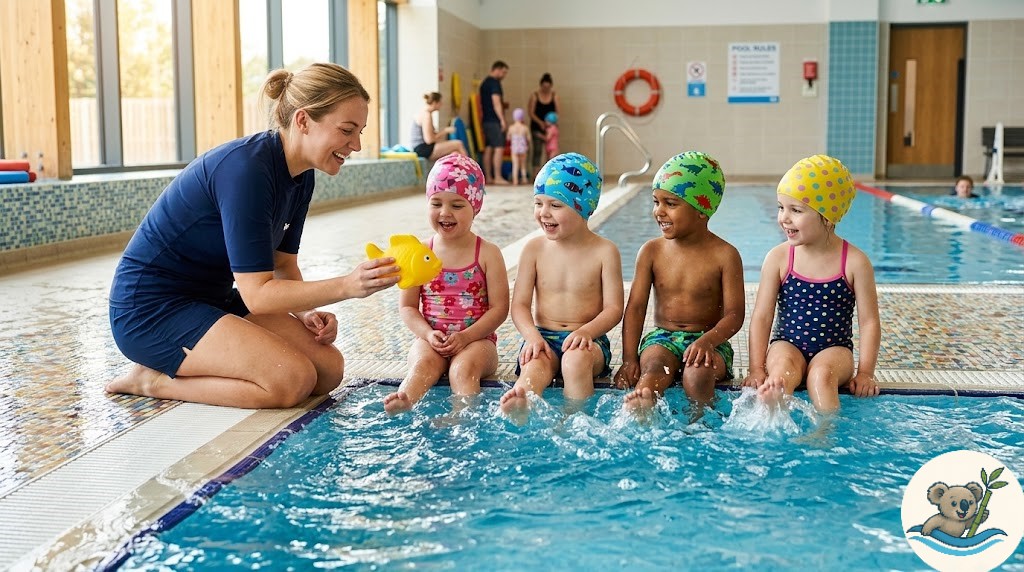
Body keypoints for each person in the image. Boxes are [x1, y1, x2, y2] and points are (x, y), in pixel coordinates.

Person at [106, 63, 401, 409]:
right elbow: (258, 295)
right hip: (151, 311)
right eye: (347, 130)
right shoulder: (247, 171)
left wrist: (307, 313)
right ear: (303, 121)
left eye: (360, 132)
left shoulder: (301, 174)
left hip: (209, 301)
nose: (356, 145)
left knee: (327, 371)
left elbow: (283, 264)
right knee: (290, 381)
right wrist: (348, 286)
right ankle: (152, 381)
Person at [743, 154, 881, 413]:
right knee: (782, 370)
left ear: (828, 217)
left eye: (796, 210)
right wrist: (756, 368)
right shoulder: (779, 257)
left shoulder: (854, 262)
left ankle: (825, 431)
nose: (784, 217)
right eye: (781, 207)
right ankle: (774, 402)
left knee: (821, 376)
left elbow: (869, 322)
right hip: (787, 342)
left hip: (835, 349)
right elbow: (762, 316)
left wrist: (865, 373)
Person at [615, 152, 745, 416]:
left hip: (710, 341)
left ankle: (699, 422)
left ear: (701, 209)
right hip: (662, 338)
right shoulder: (651, 251)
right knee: (652, 370)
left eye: (670, 203)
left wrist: (708, 341)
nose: (658, 211)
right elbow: (636, 307)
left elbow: (735, 315)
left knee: (698, 374)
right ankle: (642, 409)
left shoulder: (725, 255)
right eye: (656, 202)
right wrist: (629, 359)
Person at [499, 153, 624, 420]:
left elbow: (614, 308)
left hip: (587, 341)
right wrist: (533, 337)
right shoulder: (533, 249)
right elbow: (519, 305)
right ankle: (521, 400)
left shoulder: (604, 251)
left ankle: (574, 419)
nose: (544, 213)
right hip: (542, 337)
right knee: (533, 365)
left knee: (575, 362)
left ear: (582, 207)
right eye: (538, 203)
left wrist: (587, 332)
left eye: (555, 205)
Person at [383, 154, 510, 414]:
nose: (445, 212)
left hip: (478, 342)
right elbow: (408, 307)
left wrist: (466, 337)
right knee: (422, 365)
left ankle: (461, 417)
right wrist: (428, 334)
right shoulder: (419, 253)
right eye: (436, 203)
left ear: (475, 206)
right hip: (431, 339)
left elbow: (499, 309)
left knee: (463, 369)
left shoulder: (487, 253)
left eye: (457, 205)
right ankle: (405, 399)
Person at [410, 91, 467, 161]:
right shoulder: (426, 115)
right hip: (422, 149)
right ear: (434, 103)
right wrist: (445, 131)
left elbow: (431, 136)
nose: (441, 105)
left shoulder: (425, 113)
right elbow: (429, 140)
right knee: (458, 144)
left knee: (455, 153)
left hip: (423, 148)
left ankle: (459, 171)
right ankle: (471, 169)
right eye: (440, 102)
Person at [479, 60, 510, 185]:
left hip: (486, 120)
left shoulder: (484, 83)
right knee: (498, 147)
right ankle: (497, 176)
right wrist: (502, 120)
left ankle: (489, 177)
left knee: (489, 147)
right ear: (496, 69)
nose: (504, 75)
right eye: (503, 72)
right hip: (493, 120)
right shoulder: (494, 83)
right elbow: (496, 102)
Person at [527, 73, 560, 174]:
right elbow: (531, 112)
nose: (546, 89)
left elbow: (557, 112)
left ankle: (548, 174)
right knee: (537, 151)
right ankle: (535, 174)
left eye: (548, 87)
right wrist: (541, 123)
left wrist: (552, 125)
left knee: (550, 152)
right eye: (544, 87)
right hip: (537, 126)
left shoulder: (555, 96)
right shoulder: (535, 95)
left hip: (550, 127)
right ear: (541, 85)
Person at [507, 108, 530, 185]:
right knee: (523, 165)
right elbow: (528, 138)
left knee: (515, 164)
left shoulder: (511, 128)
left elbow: (508, 138)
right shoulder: (525, 128)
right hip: (523, 147)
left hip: (515, 148)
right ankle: (524, 179)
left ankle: (515, 180)